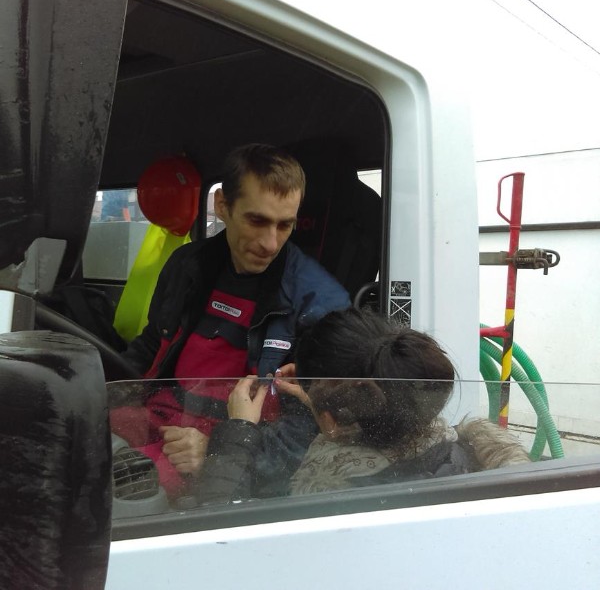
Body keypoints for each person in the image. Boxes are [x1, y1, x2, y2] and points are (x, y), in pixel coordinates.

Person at [110, 144, 351, 497]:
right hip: (159, 417)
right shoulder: (187, 265)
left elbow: (311, 429)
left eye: (285, 225)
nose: (270, 243)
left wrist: (218, 451)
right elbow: (152, 346)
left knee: (119, 496)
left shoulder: (319, 304)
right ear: (223, 205)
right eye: (257, 221)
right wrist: (105, 395)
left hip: (231, 447)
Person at [194, 307, 530, 502]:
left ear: (331, 420)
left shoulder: (327, 499)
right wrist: (323, 401)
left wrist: (239, 430)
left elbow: (221, 543)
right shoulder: (468, 458)